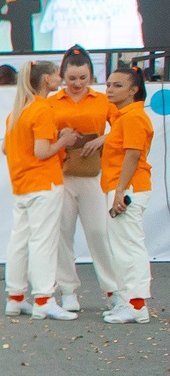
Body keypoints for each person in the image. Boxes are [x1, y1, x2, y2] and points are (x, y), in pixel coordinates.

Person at [37, 47, 123, 316]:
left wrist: (102, 139)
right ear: (62, 76)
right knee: (62, 232)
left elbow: (123, 126)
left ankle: (112, 290)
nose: (76, 84)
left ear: (91, 76)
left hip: (92, 175)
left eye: (82, 78)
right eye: (71, 78)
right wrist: (59, 134)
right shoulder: (51, 102)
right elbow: (39, 133)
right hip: (60, 174)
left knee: (98, 231)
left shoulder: (102, 100)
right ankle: (68, 290)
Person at [3, 60, 67, 317]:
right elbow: (42, 151)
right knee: (43, 242)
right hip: (44, 184)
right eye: (56, 75)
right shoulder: (42, 110)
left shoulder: (17, 112)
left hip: (21, 185)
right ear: (46, 80)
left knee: (20, 240)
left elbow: (6, 148)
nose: (60, 78)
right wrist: (64, 140)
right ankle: (43, 299)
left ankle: (16, 297)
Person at [100, 64, 155, 322]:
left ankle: (136, 304)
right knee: (122, 246)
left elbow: (132, 155)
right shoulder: (125, 115)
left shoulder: (133, 117)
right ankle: (129, 301)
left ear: (134, 90)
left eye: (117, 85)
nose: (110, 89)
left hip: (128, 187)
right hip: (121, 186)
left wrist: (120, 190)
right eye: (109, 84)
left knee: (129, 246)